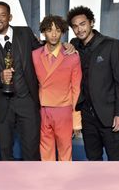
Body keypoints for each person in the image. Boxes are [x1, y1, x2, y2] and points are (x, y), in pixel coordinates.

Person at [0, 1, 75, 160]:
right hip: (3, 105)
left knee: (31, 149)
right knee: (5, 149)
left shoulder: (24, 33)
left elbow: (43, 50)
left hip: (27, 102)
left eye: (2, 15)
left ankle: (31, 183)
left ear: (9, 17)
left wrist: (63, 44)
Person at [68, 6, 119, 161]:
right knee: (93, 159)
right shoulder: (73, 45)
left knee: (116, 160)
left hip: (109, 116)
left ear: (91, 23)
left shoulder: (112, 45)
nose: (79, 29)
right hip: (87, 117)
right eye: (75, 26)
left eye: (82, 24)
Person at [32, 15, 82, 161]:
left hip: (63, 110)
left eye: (58, 30)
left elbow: (76, 90)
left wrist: (76, 120)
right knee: (45, 150)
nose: (53, 34)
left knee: (65, 151)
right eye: (49, 30)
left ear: (63, 32)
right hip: (43, 109)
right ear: (43, 32)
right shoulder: (35, 55)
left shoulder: (72, 57)